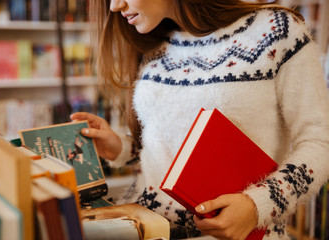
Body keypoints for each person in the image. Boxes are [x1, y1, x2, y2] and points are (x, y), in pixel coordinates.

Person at [70, 0, 329, 239]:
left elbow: (320, 141)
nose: (115, 6)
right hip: (147, 227)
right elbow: (174, 148)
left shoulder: (277, 30)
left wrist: (256, 206)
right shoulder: (156, 42)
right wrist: (122, 147)